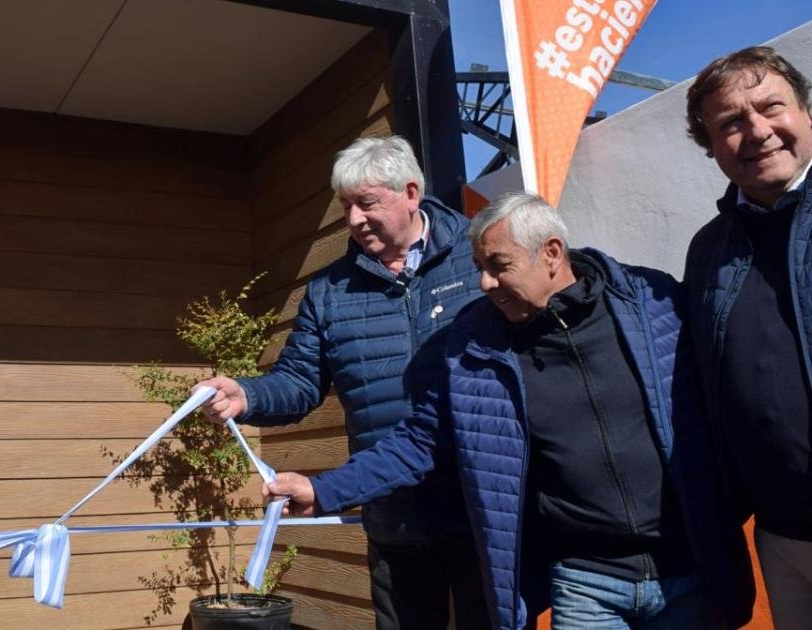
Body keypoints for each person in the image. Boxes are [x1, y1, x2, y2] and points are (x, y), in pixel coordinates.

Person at [265, 192, 754, 630]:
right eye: (479, 266)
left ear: (552, 253)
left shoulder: (652, 303)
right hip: (585, 580)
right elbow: (419, 440)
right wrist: (323, 490)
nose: (484, 282)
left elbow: (731, 395)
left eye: (498, 266)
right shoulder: (479, 346)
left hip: (686, 569)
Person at [196, 135, 487, 629]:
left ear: (411, 193)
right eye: (345, 206)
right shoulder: (329, 291)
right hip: (393, 510)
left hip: (484, 508)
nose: (353, 219)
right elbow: (299, 381)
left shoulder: (479, 256)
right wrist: (247, 395)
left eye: (366, 203)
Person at [683, 46, 812, 629]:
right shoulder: (709, 249)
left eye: (771, 107)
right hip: (781, 537)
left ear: (805, 112)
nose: (757, 131)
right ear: (711, 146)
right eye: (731, 122)